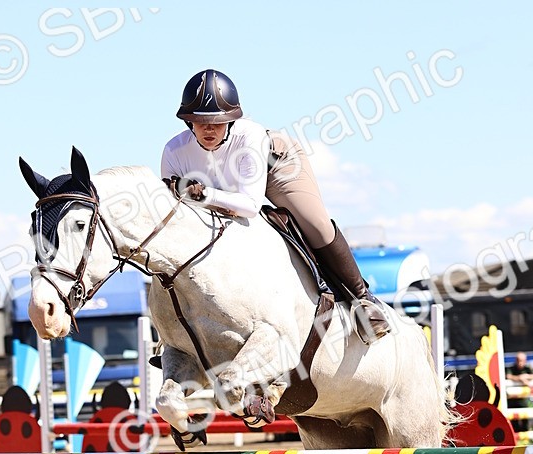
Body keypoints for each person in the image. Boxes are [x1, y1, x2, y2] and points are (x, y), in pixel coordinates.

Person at [160, 69, 391, 343]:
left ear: (232, 121)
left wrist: (205, 195)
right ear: (189, 123)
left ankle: (363, 301)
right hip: (223, 188)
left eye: (217, 122)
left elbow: (250, 205)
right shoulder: (174, 152)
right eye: (201, 122)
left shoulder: (250, 137)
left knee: (313, 223)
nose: (209, 129)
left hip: (276, 166)